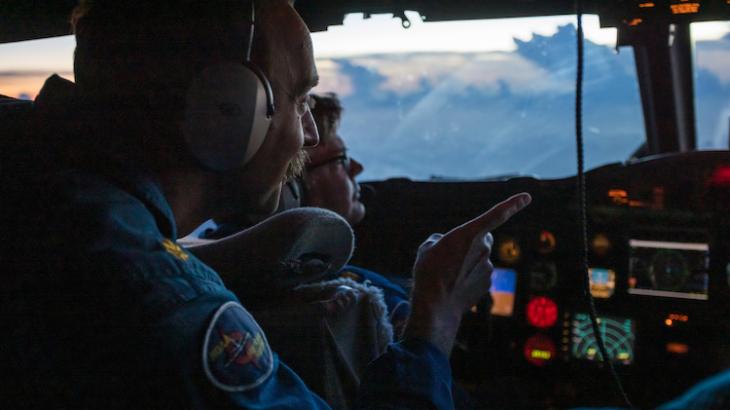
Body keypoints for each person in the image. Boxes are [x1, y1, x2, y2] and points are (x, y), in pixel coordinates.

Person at [2, 1, 531, 409]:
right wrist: (435, 321)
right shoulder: (163, 305)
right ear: (226, 110)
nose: (306, 133)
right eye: (299, 99)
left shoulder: (40, 183)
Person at [301, 92, 411, 336]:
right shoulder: (374, 301)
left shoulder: (221, 259)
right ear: (299, 183)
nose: (357, 168)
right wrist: (442, 306)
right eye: (342, 159)